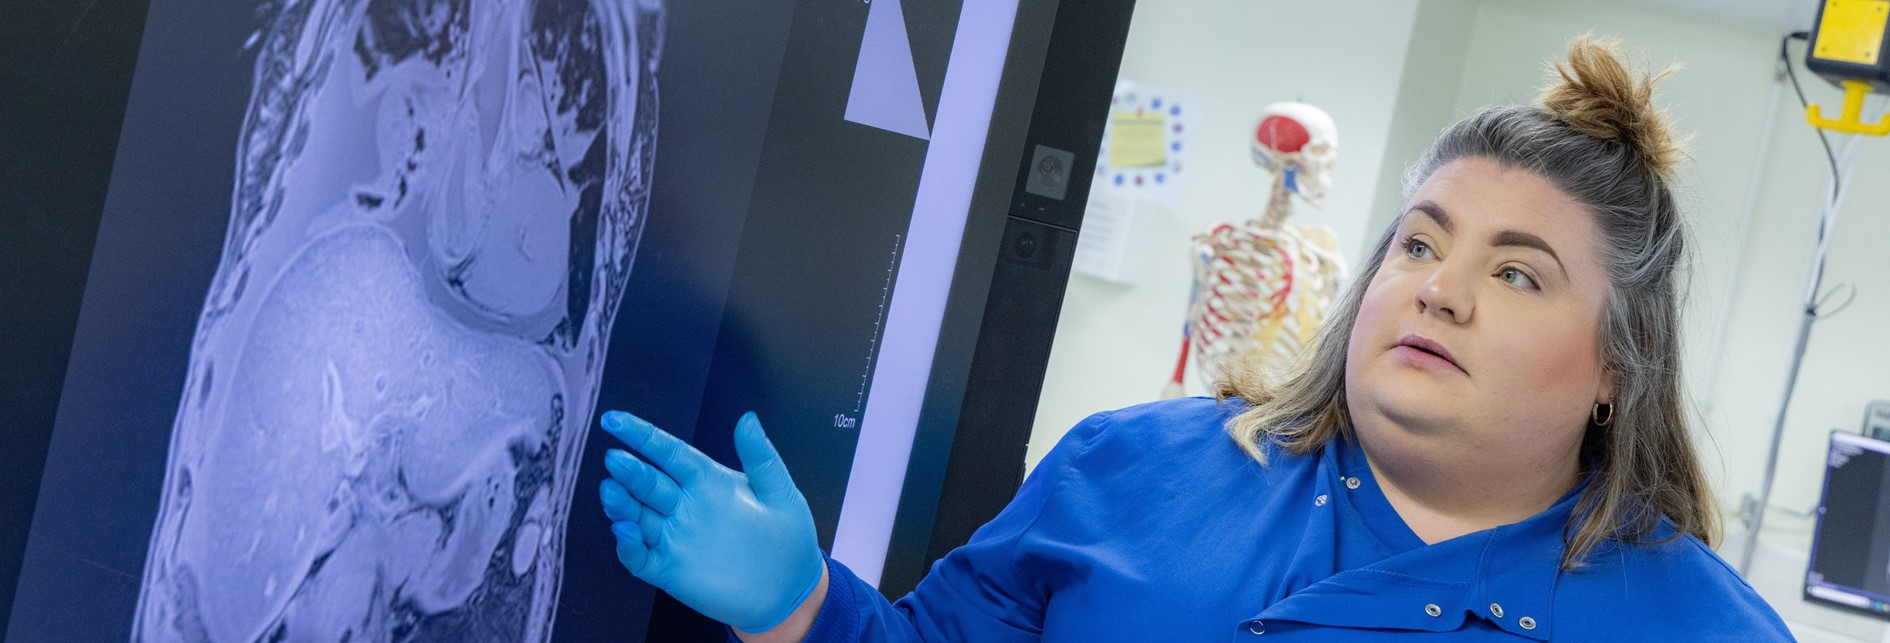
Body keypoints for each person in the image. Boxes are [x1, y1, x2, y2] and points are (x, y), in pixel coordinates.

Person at [594, 37, 1795, 641]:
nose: (1441, 291)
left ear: (1614, 369)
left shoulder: (1694, 624)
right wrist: (802, 602)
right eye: (1420, 245)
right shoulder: (1136, 469)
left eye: (1518, 273)